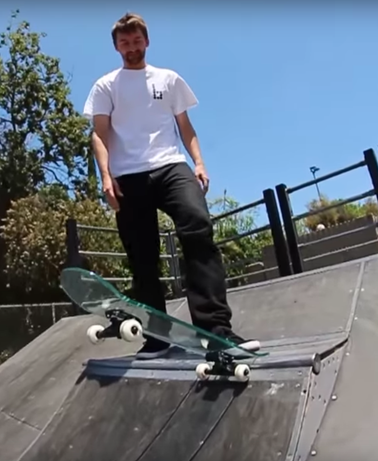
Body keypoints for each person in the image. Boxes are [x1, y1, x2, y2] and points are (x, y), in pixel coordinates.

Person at [82, 12, 260, 359]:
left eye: (136, 42)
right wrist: (105, 176)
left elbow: (185, 126)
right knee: (142, 255)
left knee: (198, 226)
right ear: (116, 47)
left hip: (171, 166)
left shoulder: (169, 79)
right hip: (127, 176)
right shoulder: (106, 85)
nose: (131, 48)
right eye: (124, 43)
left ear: (146, 42)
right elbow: (98, 134)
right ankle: (157, 337)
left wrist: (199, 162)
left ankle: (217, 330)